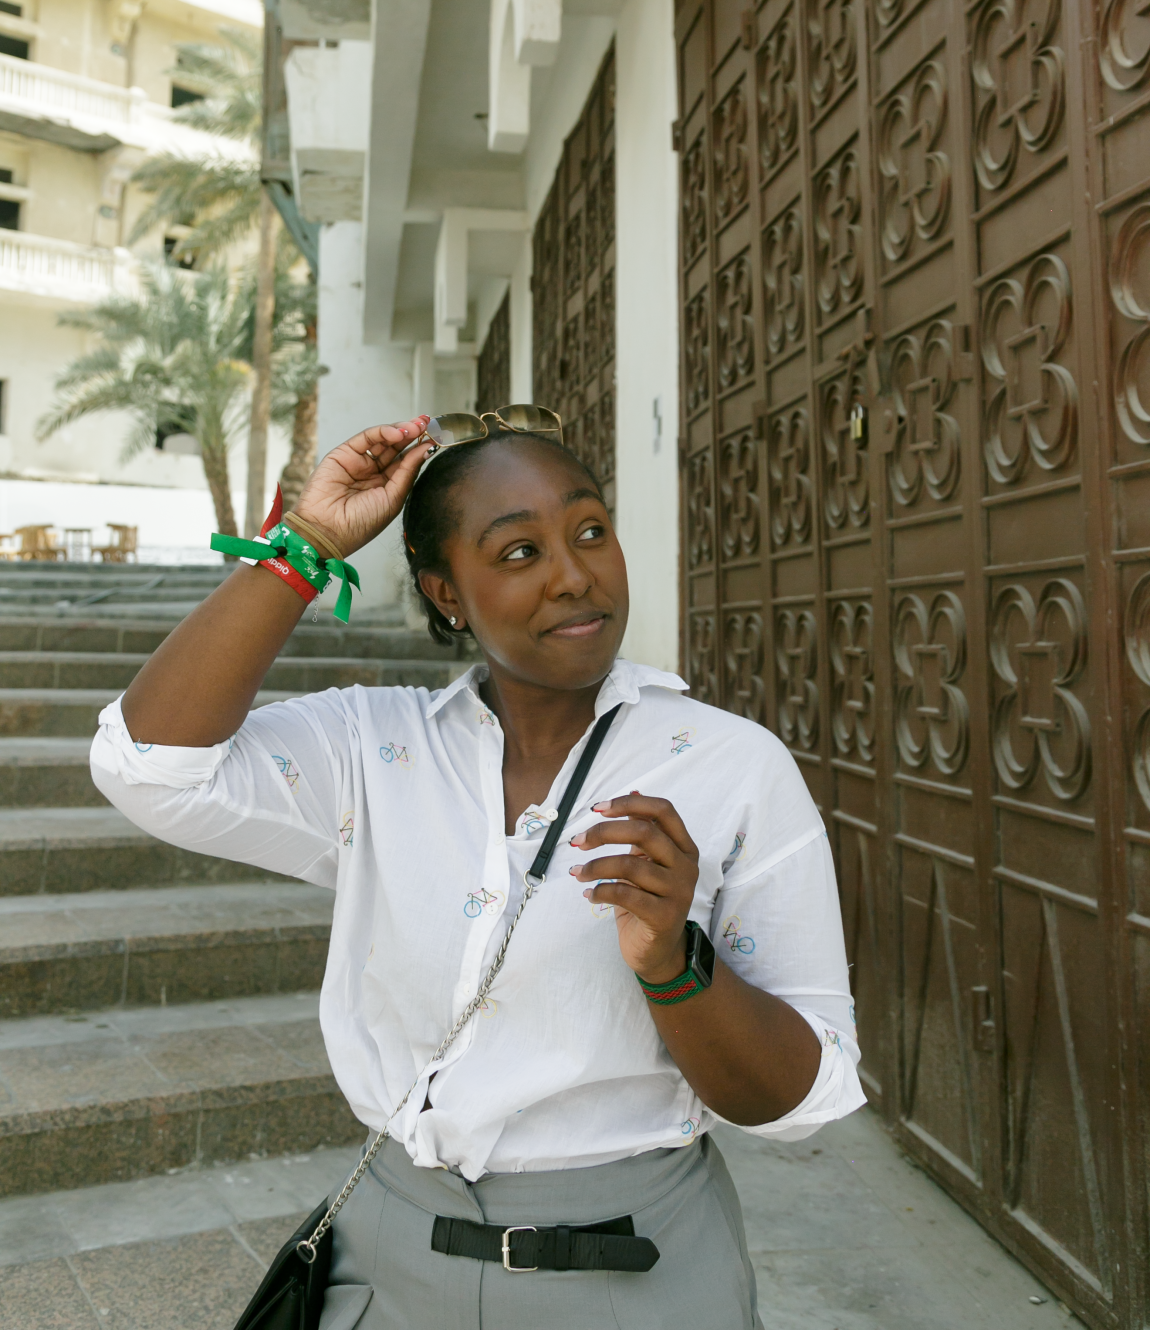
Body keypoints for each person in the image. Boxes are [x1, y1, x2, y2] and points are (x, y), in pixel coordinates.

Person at [91, 412, 864, 1330]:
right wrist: (302, 546)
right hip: (387, 1259)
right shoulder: (372, 747)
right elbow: (148, 763)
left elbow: (801, 1097)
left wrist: (673, 963)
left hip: (637, 1272)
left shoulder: (731, 767)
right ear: (444, 591)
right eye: (517, 551)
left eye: (589, 531)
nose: (574, 574)